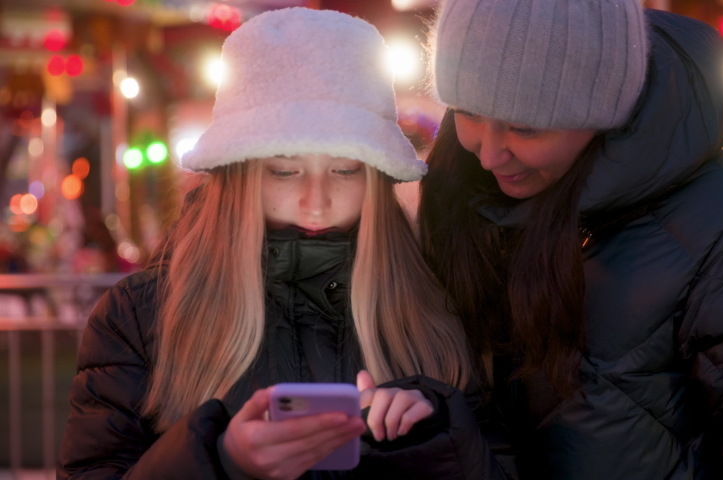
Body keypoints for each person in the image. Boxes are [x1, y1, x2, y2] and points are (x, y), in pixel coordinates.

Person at [58, 8, 507, 480]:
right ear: (239, 175)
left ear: (377, 179)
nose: (316, 203)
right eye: (284, 171)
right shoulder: (139, 316)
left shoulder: (434, 304)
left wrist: (436, 432)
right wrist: (221, 462)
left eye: (345, 170)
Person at [419, 0, 723, 478]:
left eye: (526, 127)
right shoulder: (453, 187)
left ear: (605, 110)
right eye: (468, 113)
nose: (490, 154)